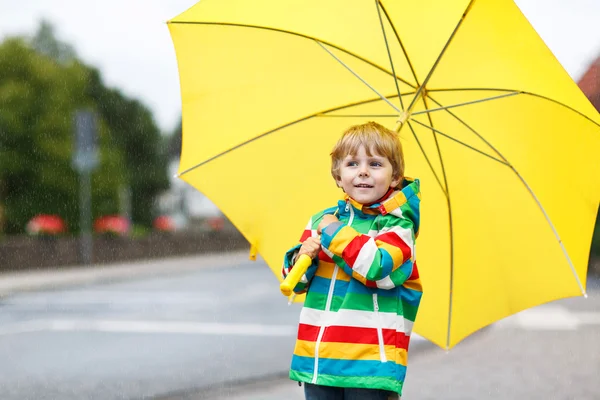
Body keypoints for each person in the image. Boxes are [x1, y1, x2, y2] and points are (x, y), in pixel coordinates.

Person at [282, 121, 423, 400]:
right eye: (352, 164)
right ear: (338, 175)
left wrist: (335, 235)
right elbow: (297, 283)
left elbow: (376, 268)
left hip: (370, 363)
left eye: (375, 163)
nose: (363, 172)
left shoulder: (397, 227)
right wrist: (303, 257)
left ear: (395, 177)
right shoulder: (322, 219)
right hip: (320, 357)